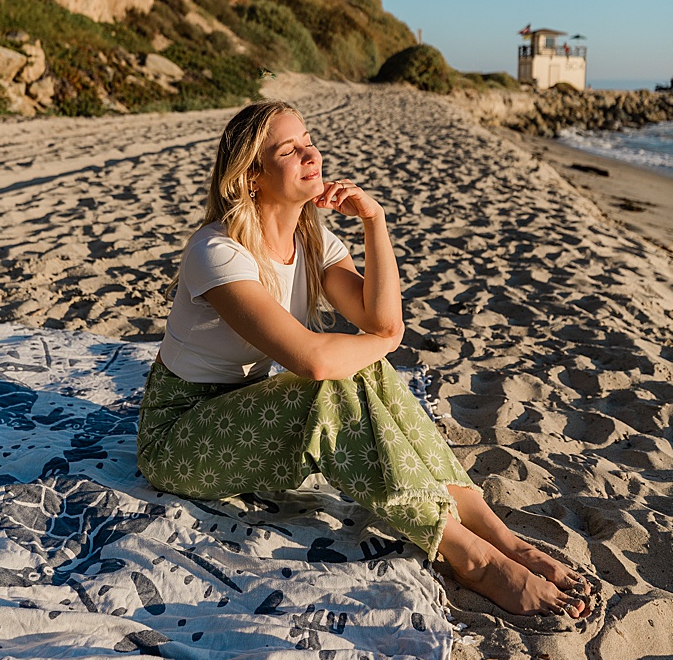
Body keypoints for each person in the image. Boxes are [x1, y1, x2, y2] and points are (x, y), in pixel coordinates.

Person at [136, 100, 591, 619]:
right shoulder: (217, 251)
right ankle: (470, 556)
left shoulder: (312, 239)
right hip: (179, 435)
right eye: (290, 150)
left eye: (309, 140)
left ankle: (498, 535)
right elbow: (313, 360)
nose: (311, 154)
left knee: (363, 366)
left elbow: (379, 321)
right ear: (251, 176)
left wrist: (375, 221)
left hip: (242, 412)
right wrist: (386, 339)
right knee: (334, 379)